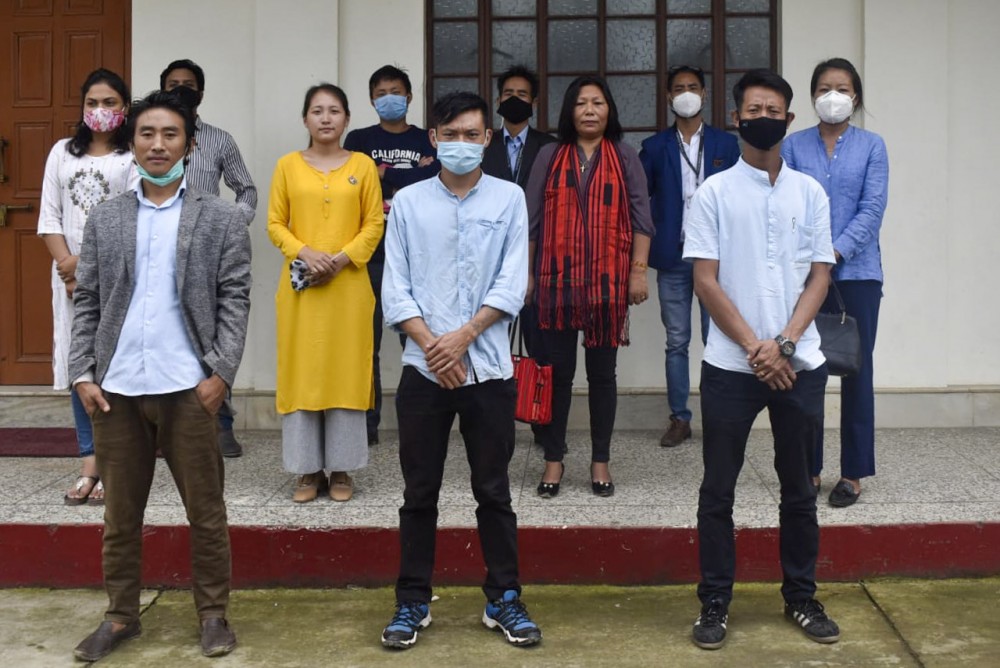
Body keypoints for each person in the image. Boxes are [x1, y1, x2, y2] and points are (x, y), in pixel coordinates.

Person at [69, 90, 252, 661]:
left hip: (189, 390)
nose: (157, 144)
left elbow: (235, 298)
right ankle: (122, 617)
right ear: (133, 142)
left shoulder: (218, 216)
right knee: (120, 517)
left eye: (170, 134)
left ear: (190, 145)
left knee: (206, 511)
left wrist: (220, 372)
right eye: (147, 133)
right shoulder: (107, 217)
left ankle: (213, 615)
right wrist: (82, 371)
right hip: (117, 390)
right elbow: (89, 299)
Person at [684, 69, 839, 649]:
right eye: (752, 109)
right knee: (717, 490)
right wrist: (757, 348)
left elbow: (819, 276)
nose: (762, 117)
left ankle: (800, 596)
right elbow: (706, 280)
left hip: (799, 364)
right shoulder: (714, 192)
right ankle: (715, 603)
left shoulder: (811, 193)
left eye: (773, 108)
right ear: (738, 119)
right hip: (731, 366)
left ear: (789, 120)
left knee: (798, 487)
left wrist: (788, 346)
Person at [380, 91, 541, 649]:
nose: (462, 144)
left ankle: (504, 600)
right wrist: (433, 348)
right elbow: (394, 284)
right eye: (451, 134)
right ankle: (412, 603)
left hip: (489, 369)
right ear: (433, 138)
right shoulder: (408, 202)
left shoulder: (510, 199)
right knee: (418, 493)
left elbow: (513, 279)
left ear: (488, 139)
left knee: (493, 490)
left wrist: (465, 338)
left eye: (473, 135)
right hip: (424, 372)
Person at [524, 75, 653, 498]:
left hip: (607, 286)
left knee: (603, 376)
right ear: (570, 111)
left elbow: (641, 220)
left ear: (609, 110)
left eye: (598, 102)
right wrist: (525, 275)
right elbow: (531, 222)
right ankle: (554, 460)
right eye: (582, 103)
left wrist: (637, 272)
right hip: (556, 284)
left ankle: (600, 460)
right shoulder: (549, 155)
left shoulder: (625, 156)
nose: (591, 110)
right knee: (558, 375)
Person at [267, 84, 383, 503]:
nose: (326, 118)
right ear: (305, 119)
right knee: (304, 371)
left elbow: (374, 223)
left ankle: (342, 469)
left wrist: (344, 257)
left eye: (334, 111)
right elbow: (276, 223)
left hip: (348, 286)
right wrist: (307, 252)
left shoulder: (363, 166)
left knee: (345, 371)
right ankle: (306, 471)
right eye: (317, 111)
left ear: (347, 119)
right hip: (302, 289)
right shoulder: (287, 166)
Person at [782, 58, 889, 508]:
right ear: (812, 96)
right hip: (805, 277)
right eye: (825, 88)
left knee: (856, 372)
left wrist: (833, 253)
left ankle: (853, 473)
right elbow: (784, 205)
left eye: (842, 88)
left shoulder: (872, 146)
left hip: (858, 274)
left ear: (855, 96)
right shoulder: (793, 146)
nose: (833, 96)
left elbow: (873, 208)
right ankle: (808, 468)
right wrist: (811, 260)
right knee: (808, 371)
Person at [38, 68, 134, 506]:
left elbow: (132, 221)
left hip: (116, 279)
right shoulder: (62, 153)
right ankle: (89, 461)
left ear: (124, 109)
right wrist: (67, 266)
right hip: (70, 282)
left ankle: (115, 465)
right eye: (92, 103)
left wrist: (84, 264)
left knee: (113, 366)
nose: (100, 111)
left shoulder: (131, 158)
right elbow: (49, 217)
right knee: (82, 366)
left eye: (109, 103)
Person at [160, 58, 258, 458]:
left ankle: (222, 423)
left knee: (215, 333)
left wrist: (229, 227)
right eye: (173, 84)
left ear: (201, 92)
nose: (181, 89)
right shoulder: (149, 137)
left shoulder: (219, 140)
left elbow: (246, 190)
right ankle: (165, 424)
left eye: (189, 84)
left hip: (205, 252)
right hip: (156, 244)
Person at [639, 65, 740, 448]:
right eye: (678, 88)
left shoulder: (726, 146)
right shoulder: (654, 147)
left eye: (693, 87)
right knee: (677, 340)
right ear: (668, 97)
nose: (686, 93)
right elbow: (640, 201)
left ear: (704, 93)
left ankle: (719, 416)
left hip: (716, 258)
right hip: (674, 257)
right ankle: (679, 418)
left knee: (718, 339)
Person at [343, 65, 439, 447]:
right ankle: (367, 424)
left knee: (416, 342)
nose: (389, 98)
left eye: (395, 91)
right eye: (381, 92)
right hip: (369, 256)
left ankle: (420, 421)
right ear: (371, 100)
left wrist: (383, 174)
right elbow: (355, 185)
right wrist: (409, 174)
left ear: (410, 96)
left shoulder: (427, 139)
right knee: (366, 343)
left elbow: (435, 182)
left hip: (416, 256)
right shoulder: (358, 138)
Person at [481, 64, 556, 445]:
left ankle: (543, 421)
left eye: (522, 95)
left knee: (539, 343)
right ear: (498, 100)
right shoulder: (483, 144)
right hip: (489, 259)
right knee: (492, 342)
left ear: (535, 102)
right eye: (508, 93)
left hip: (539, 258)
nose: (514, 100)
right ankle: (496, 423)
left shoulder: (550, 145)